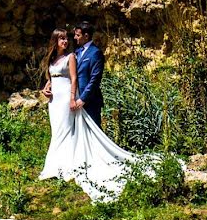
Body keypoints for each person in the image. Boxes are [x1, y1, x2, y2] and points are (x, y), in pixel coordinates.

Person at [38, 25, 137, 202]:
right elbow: (53, 77)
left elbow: (92, 79)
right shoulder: (64, 56)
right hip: (56, 102)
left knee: (79, 132)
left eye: (75, 36)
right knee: (59, 132)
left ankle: (76, 164)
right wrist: (46, 88)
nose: (71, 39)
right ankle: (59, 164)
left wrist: (78, 98)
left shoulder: (91, 53)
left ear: (85, 35)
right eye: (66, 37)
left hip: (82, 99)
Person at [71, 21, 104, 127]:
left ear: (86, 36)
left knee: (94, 133)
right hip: (76, 99)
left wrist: (83, 98)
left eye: (78, 35)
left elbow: (95, 79)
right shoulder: (77, 51)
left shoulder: (95, 53)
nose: (75, 38)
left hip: (90, 101)